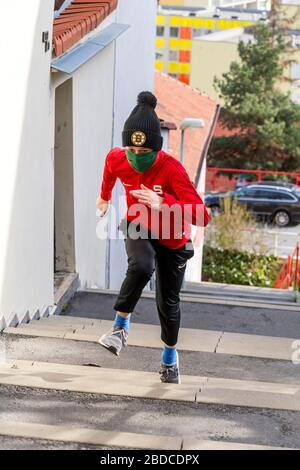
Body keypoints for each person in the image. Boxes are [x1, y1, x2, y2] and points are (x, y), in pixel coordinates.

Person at [96, 91, 209, 384]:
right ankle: (120, 329)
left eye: (145, 155)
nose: (136, 159)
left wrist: (164, 204)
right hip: (139, 225)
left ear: (156, 150)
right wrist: (104, 197)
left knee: (167, 303)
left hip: (172, 237)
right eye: (132, 153)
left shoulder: (172, 169)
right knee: (141, 267)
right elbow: (110, 170)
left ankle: (169, 360)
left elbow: (202, 215)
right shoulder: (118, 157)